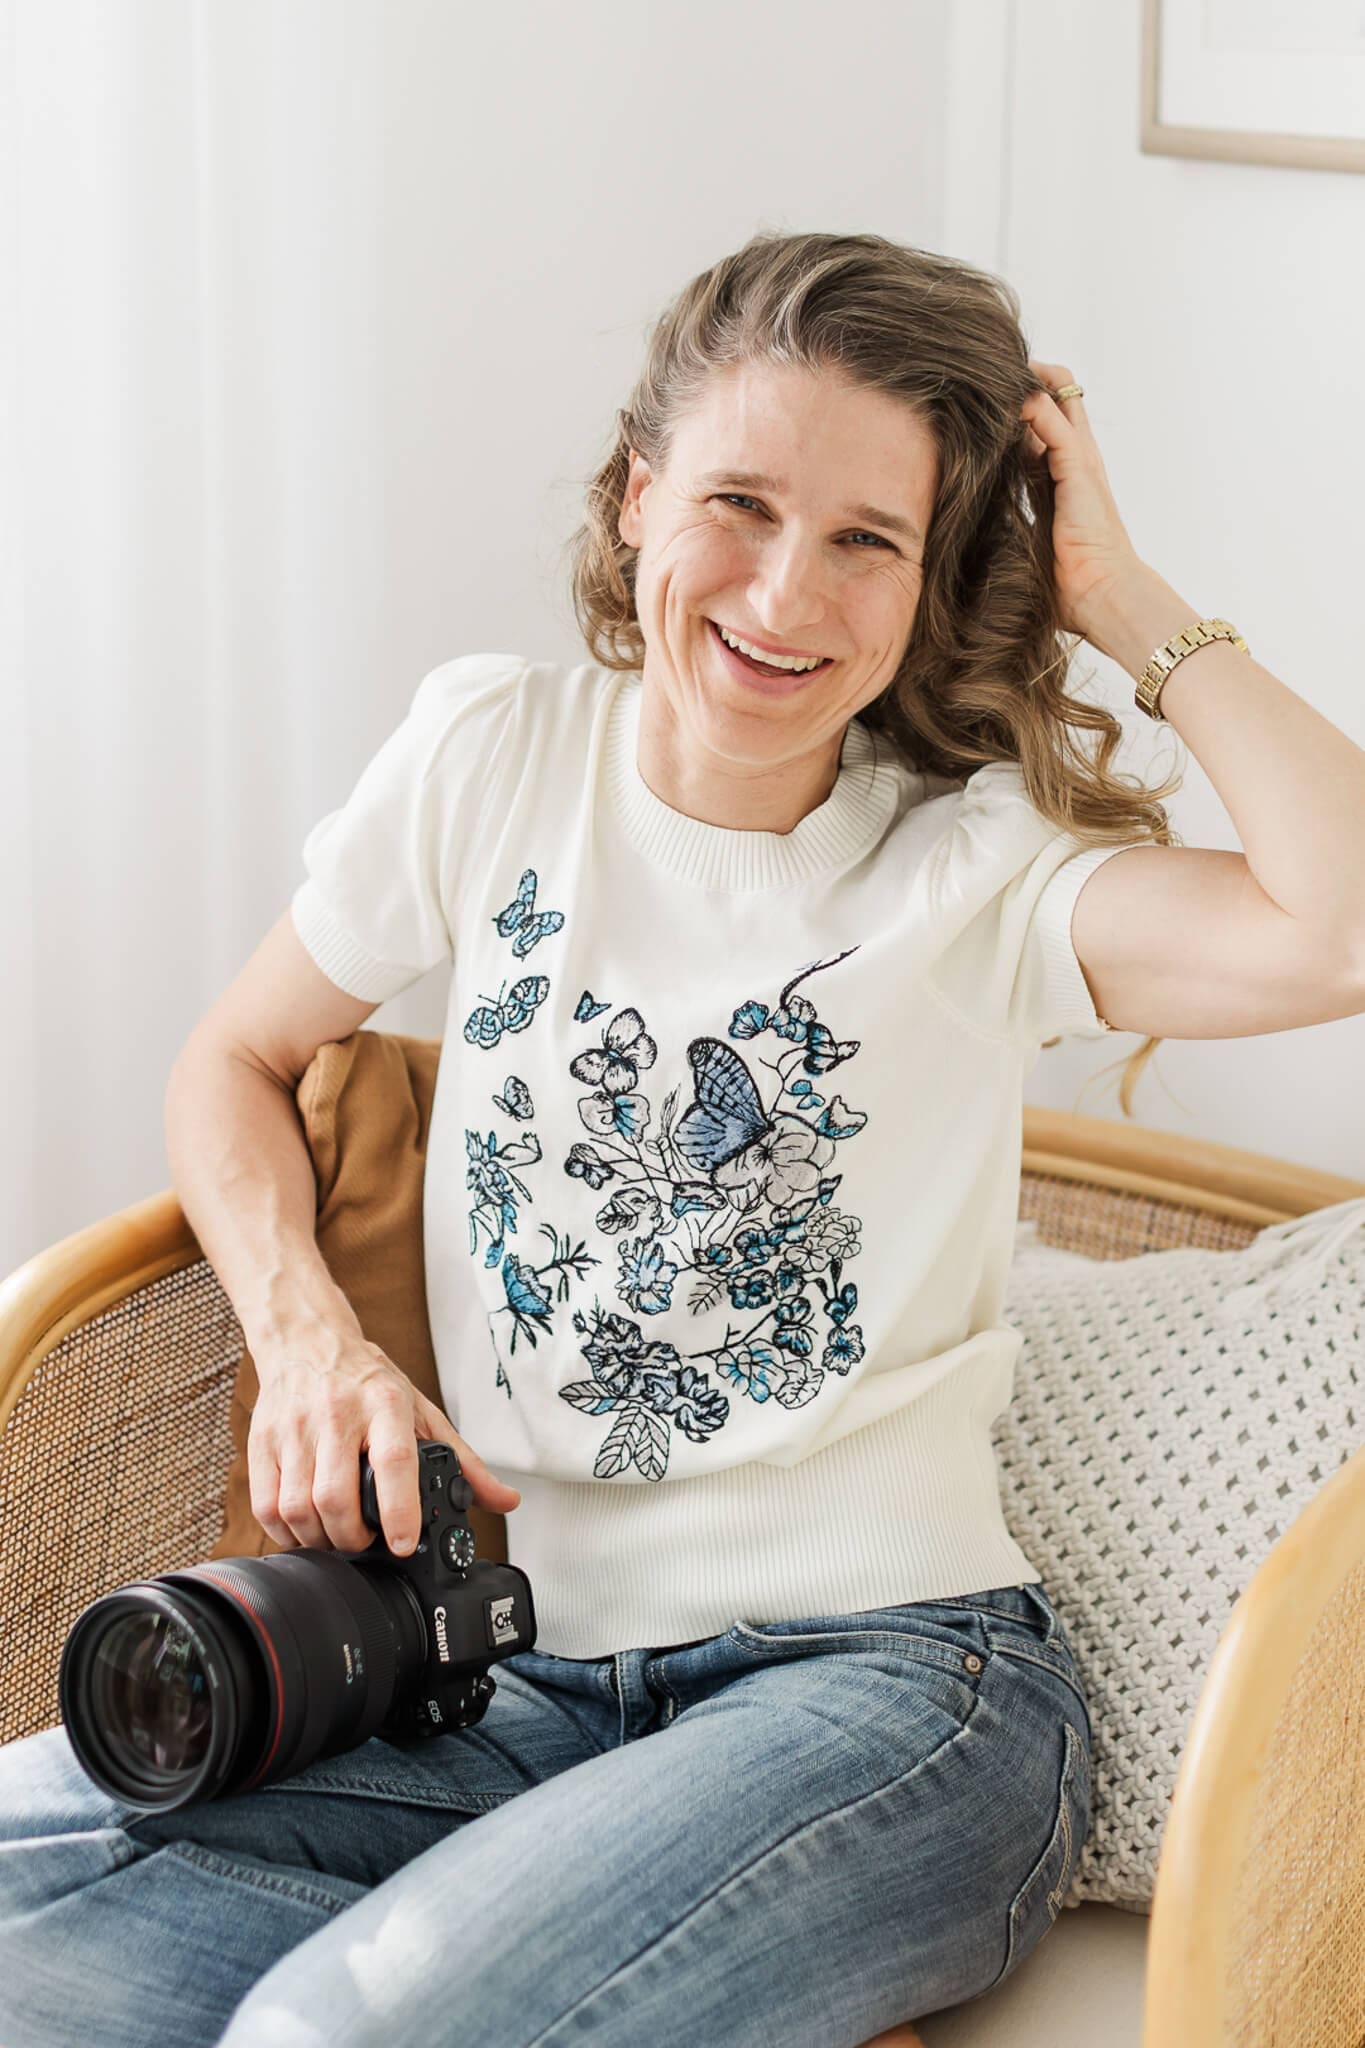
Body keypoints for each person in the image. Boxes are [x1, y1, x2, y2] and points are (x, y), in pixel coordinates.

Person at [11, 222, 1349, 2047]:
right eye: (738, 501)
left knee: (353, 2033)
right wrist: (304, 1334)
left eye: (868, 539)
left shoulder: (969, 879)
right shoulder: (489, 759)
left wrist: (1120, 596)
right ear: (637, 499)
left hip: (892, 1699)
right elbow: (235, 1060)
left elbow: (1337, 920)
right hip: (499, 1682)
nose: (787, 594)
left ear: (933, 578)